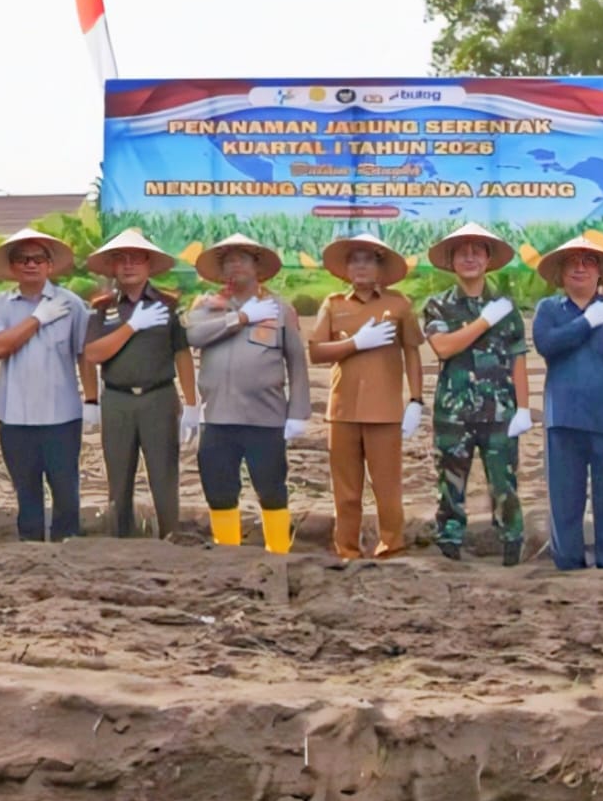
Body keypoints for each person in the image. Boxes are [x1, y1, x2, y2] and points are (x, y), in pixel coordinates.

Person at [186, 233, 309, 554]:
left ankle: (279, 550)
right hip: (217, 418)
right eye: (228, 260)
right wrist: (239, 318)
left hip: (265, 419)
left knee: (271, 488)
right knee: (219, 488)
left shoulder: (280, 309)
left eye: (242, 258)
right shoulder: (206, 307)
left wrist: (298, 412)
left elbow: (297, 363)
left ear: (258, 268)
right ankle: (227, 551)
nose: (234, 265)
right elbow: (194, 335)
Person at [531, 236, 603, 570]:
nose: (580, 268)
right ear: (562, 272)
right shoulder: (550, 310)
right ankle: (568, 564)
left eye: (588, 261)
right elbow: (547, 344)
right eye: (572, 262)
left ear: (600, 272)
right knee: (565, 499)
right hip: (563, 419)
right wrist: (587, 322)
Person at [421, 223, 532, 566]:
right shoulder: (438, 306)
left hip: (500, 412)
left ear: (487, 259)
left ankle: (512, 543)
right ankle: (450, 544)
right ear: (452, 261)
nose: (470, 257)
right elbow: (443, 347)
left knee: (505, 483)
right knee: (451, 484)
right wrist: (483, 322)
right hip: (453, 412)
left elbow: (518, 360)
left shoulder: (506, 308)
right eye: (462, 252)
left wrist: (524, 408)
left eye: (477, 251)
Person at [308, 234, 423, 560]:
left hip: (384, 411)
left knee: (387, 488)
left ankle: (392, 546)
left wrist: (416, 400)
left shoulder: (398, 304)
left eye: (368, 259)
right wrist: (356, 343)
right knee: (345, 492)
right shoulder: (333, 304)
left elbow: (412, 352)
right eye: (354, 259)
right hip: (342, 410)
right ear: (346, 268)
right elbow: (316, 352)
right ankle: (347, 549)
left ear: (380, 267)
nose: (360, 266)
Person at [83, 228, 199, 540]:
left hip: (158, 398)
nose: (129, 266)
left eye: (136, 259)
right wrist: (132, 327)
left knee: (164, 474)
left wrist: (191, 403)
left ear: (148, 265)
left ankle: (171, 537)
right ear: (113, 267)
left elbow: (182, 354)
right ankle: (121, 539)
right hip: (117, 399)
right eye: (121, 260)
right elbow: (92, 353)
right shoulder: (102, 308)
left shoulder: (167, 305)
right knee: (118, 477)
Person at [0, 228, 93, 542]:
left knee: (65, 489)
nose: (31, 265)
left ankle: (66, 547)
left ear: (49, 265)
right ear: (13, 267)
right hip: (16, 415)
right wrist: (37, 319)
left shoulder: (71, 304)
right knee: (26, 490)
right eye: (22, 259)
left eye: (38, 259)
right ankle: (30, 551)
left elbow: (85, 354)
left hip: (61, 415)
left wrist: (92, 400)